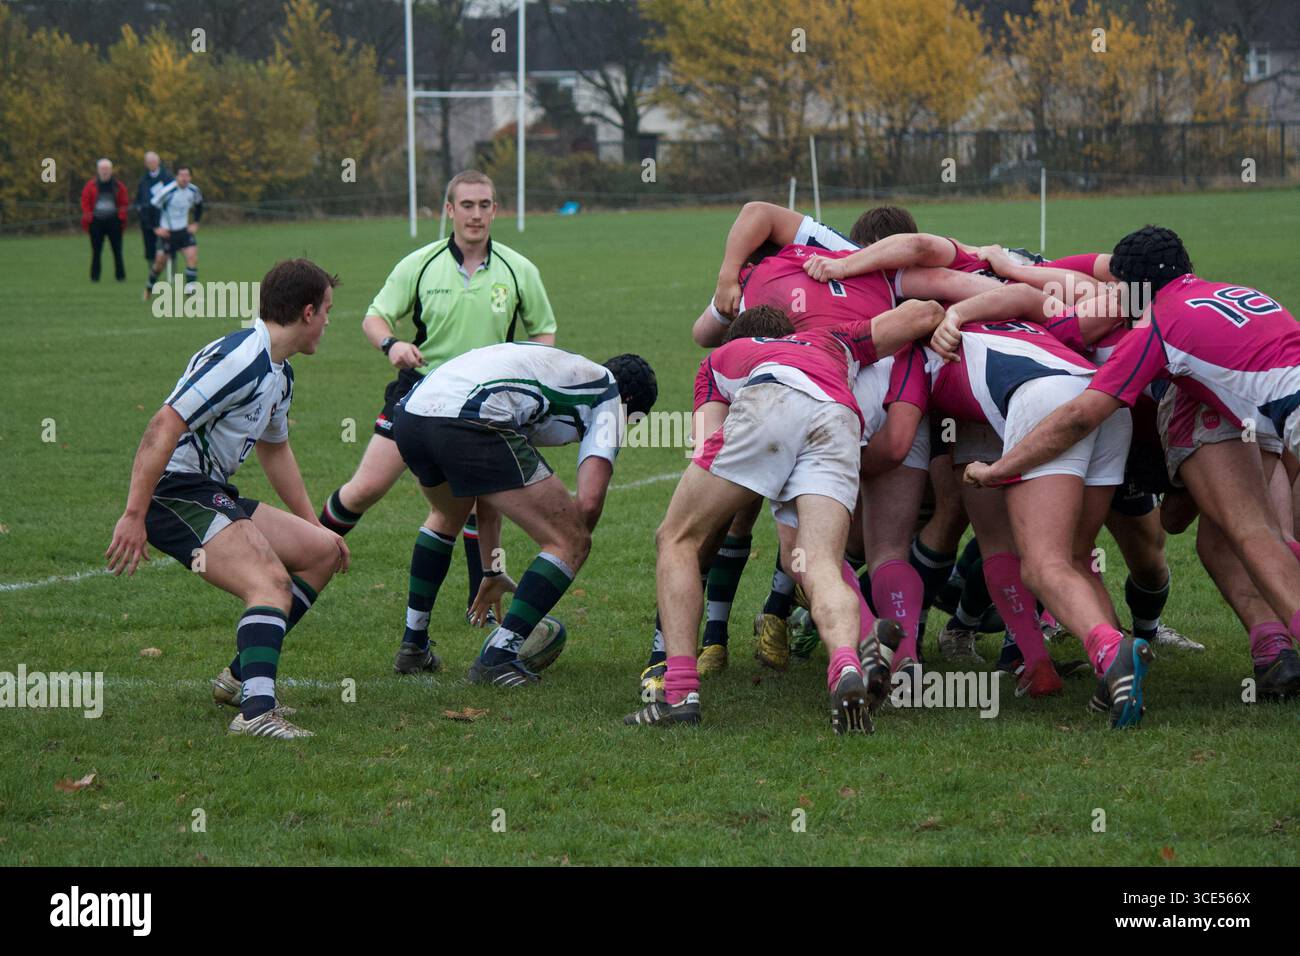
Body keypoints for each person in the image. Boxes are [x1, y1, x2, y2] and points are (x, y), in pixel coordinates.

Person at [966, 225, 1300, 701]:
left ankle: (1265, 648)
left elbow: (1082, 415)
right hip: (1264, 422)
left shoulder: (1154, 325)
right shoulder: (1239, 291)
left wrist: (1000, 469)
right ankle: (1273, 653)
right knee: (1248, 540)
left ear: (1126, 288)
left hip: (1265, 420)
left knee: (1255, 539)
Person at [625, 299, 946, 733]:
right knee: (820, 565)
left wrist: (756, 483)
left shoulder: (718, 360)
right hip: (838, 416)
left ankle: (679, 693)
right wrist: (952, 318)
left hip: (771, 400)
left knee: (677, 538)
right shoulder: (832, 337)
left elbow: (707, 448)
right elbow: (921, 315)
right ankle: (846, 666)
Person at [315, 171, 558, 664]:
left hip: (481, 405)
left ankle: (445, 621)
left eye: (484, 205)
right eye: (465, 204)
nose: (475, 214)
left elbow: (545, 333)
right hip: (418, 397)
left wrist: (516, 367)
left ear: (496, 210)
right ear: (448, 211)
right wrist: (393, 344)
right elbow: (374, 316)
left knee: (474, 504)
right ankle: (305, 551)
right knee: (365, 488)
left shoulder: (517, 270)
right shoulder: (420, 265)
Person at [106, 259, 350, 739]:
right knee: (269, 584)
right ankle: (256, 712)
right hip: (173, 491)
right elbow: (164, 424)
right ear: (306, 312)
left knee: (322, 553)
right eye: (327, 310)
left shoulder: (279, 373)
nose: (328, 320)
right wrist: (135, 513)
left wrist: (315, 525)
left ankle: (239, 678)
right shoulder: (242, 359)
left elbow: (275, 450)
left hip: (210, 489)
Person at [391, 342, 656, 686]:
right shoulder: (608, 394)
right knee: (571, 539)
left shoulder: (559, 374)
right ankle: (498, 657)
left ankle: (414, 643)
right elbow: (589, 504)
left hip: (411, 416)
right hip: (466, 418)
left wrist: (493, 569)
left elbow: (490, 487)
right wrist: (563, 558)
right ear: (630, 409)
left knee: (446, 515)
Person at [146, 164, 203, 297]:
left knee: (192, 256)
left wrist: (196, 223)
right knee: (160, 264)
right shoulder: (167, 191)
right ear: (176, 177)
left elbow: (199, 205)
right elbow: (151, 207)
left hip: (183, 231)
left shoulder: (194, 191)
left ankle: (190, 293)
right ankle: (149, 287)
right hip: (167, 233)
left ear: (190, 177)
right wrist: (156, 228)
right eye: (181, 175)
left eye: (187, 175)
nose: (184, 178)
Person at [81, 159, 128, 282]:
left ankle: (120, 277)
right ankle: (94, 277)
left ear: (111, 170)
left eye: (107, 169)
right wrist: (88, 217)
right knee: (96, 252)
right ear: (98, 170)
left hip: (114, 222)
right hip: (96, 223)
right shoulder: (90, 186)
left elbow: (124, 202)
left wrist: (121, 217)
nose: (105, 171)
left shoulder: (118, 186)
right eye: (102, 169)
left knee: (117, 251)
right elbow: (85, 202)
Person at [135, 151, 172, 267]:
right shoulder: (143, 180)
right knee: (149, 247)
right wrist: (139, 208)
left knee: (168, 246)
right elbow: (139, 198)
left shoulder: (167, 177)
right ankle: (152, 273)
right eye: (149, 162)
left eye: (154, 161)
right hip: (147, 219)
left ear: (158, 162)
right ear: (146, 164)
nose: (152, 164)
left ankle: (171, 273)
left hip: (164, 218)